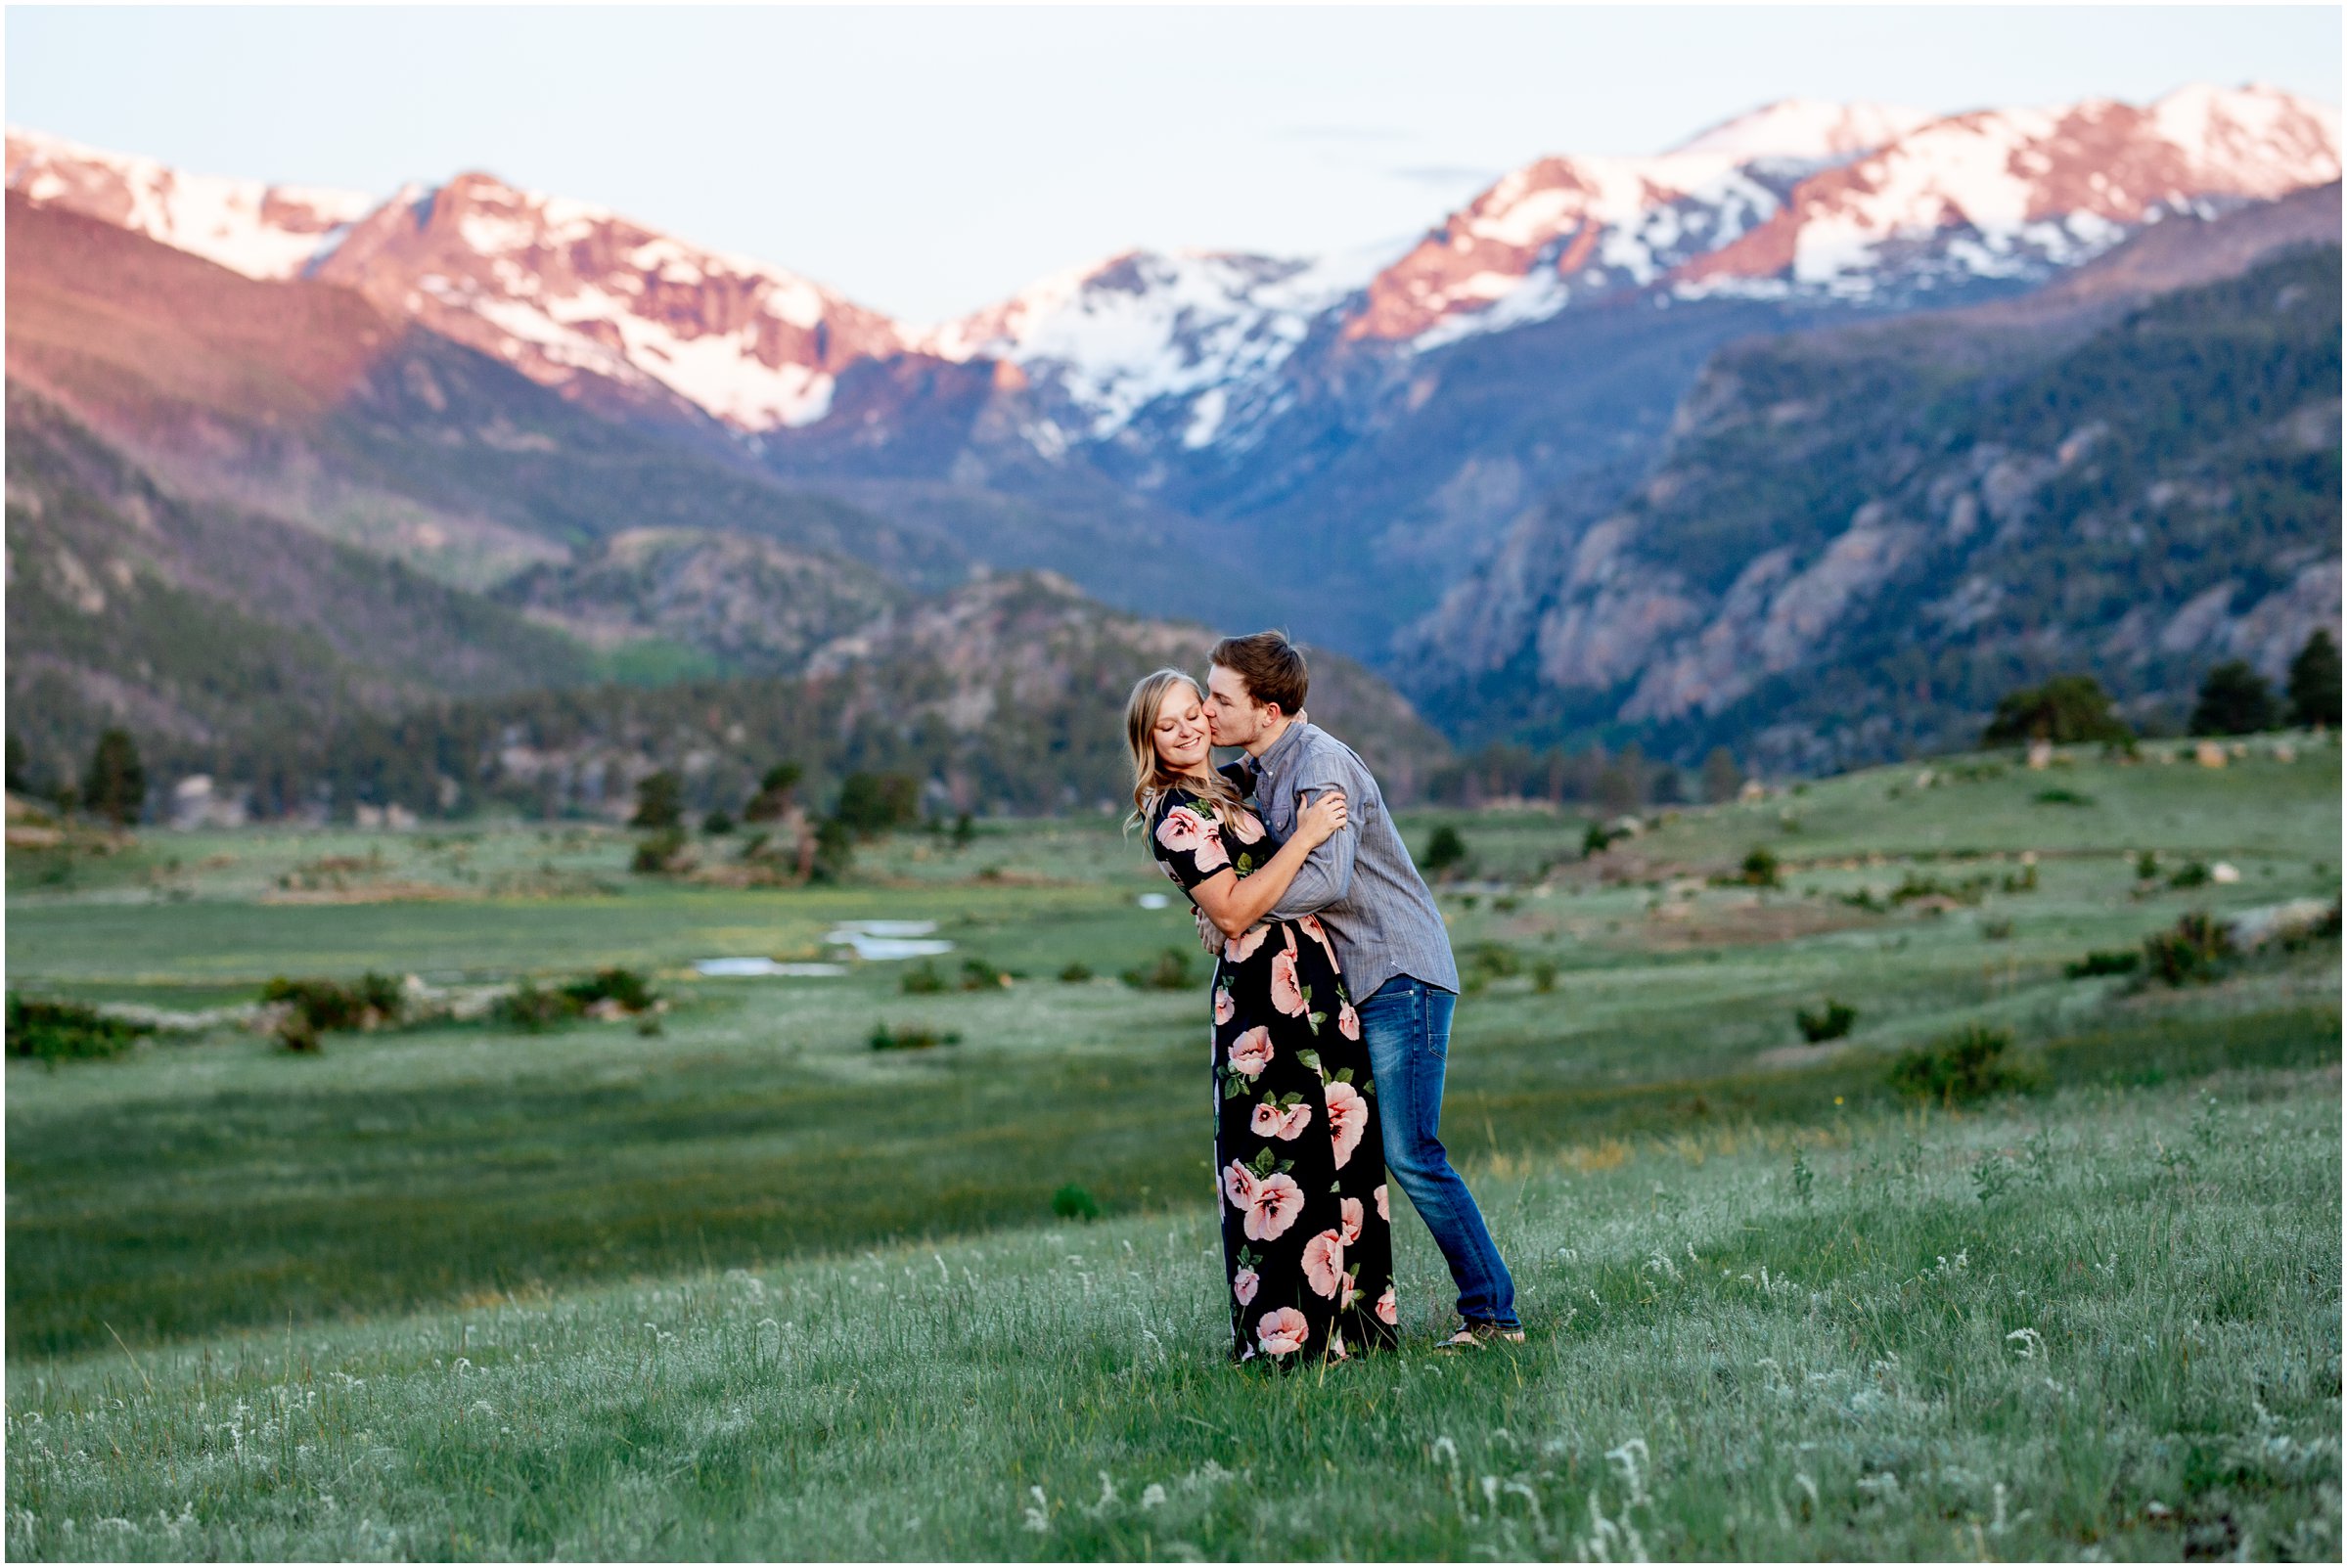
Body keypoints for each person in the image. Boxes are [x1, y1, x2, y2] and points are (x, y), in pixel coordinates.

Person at [1201, 631, 1524, 1350]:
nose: (1207, 708)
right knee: (1354, 1154)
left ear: (1271, 705)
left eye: (1221, 697)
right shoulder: (1262, 765)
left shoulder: (1320, 763)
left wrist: (1236, 906)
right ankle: (1352, 1317)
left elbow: (1327, 879)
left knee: (1412, 1151)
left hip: (1398, 975)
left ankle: (1494, 1314)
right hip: (1363, 983)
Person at [1124, 667, 1399, 1366]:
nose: (1189, 728)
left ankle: (1358, 1328)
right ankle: (1290, 1340)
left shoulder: (1229, 787)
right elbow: (1235, 908)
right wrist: (1304, 836)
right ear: (1147, 739)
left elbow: (1280, 737)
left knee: (1343, 1149)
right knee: (1282, 1159)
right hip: (1260, 1005)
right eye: (1169, 723)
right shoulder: (1173, 814)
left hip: (1315, 984)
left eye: (1195, 712)